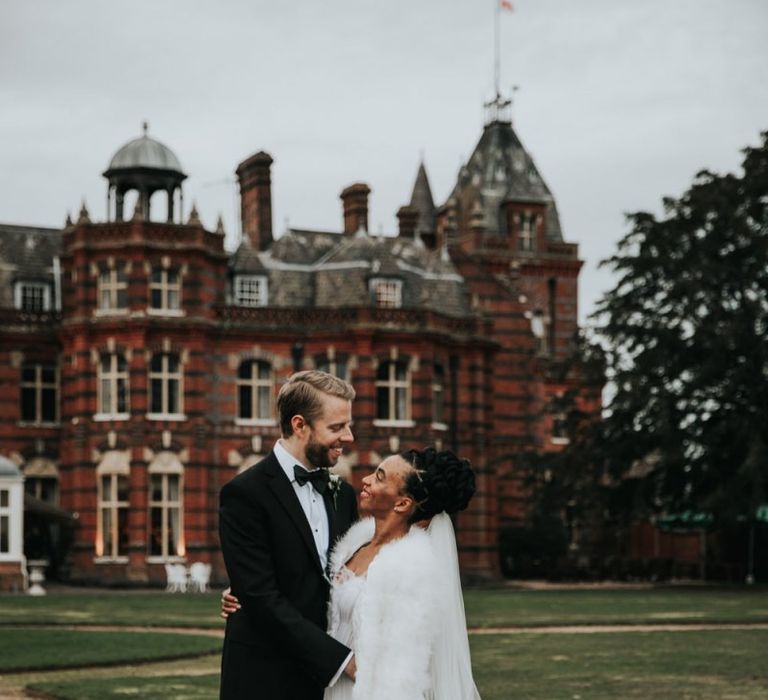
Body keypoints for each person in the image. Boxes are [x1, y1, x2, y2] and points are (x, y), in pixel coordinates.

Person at [223, 447, 481, 700]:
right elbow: (306, 578)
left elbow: (402, 669)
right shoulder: (353, 542)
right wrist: (249, 588)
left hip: (362, 689)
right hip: (322, 680)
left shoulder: (411, 568)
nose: (366, 480)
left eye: (379, 477)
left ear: (403, 503)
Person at [218, 370, 359, 700]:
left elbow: (353, 576)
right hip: (265, 677)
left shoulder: (343, 494)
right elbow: (260, 597)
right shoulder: (243, 494)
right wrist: (341, 660)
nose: (349, 437)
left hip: (332, 685)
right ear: (299, 425)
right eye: (337, 427)